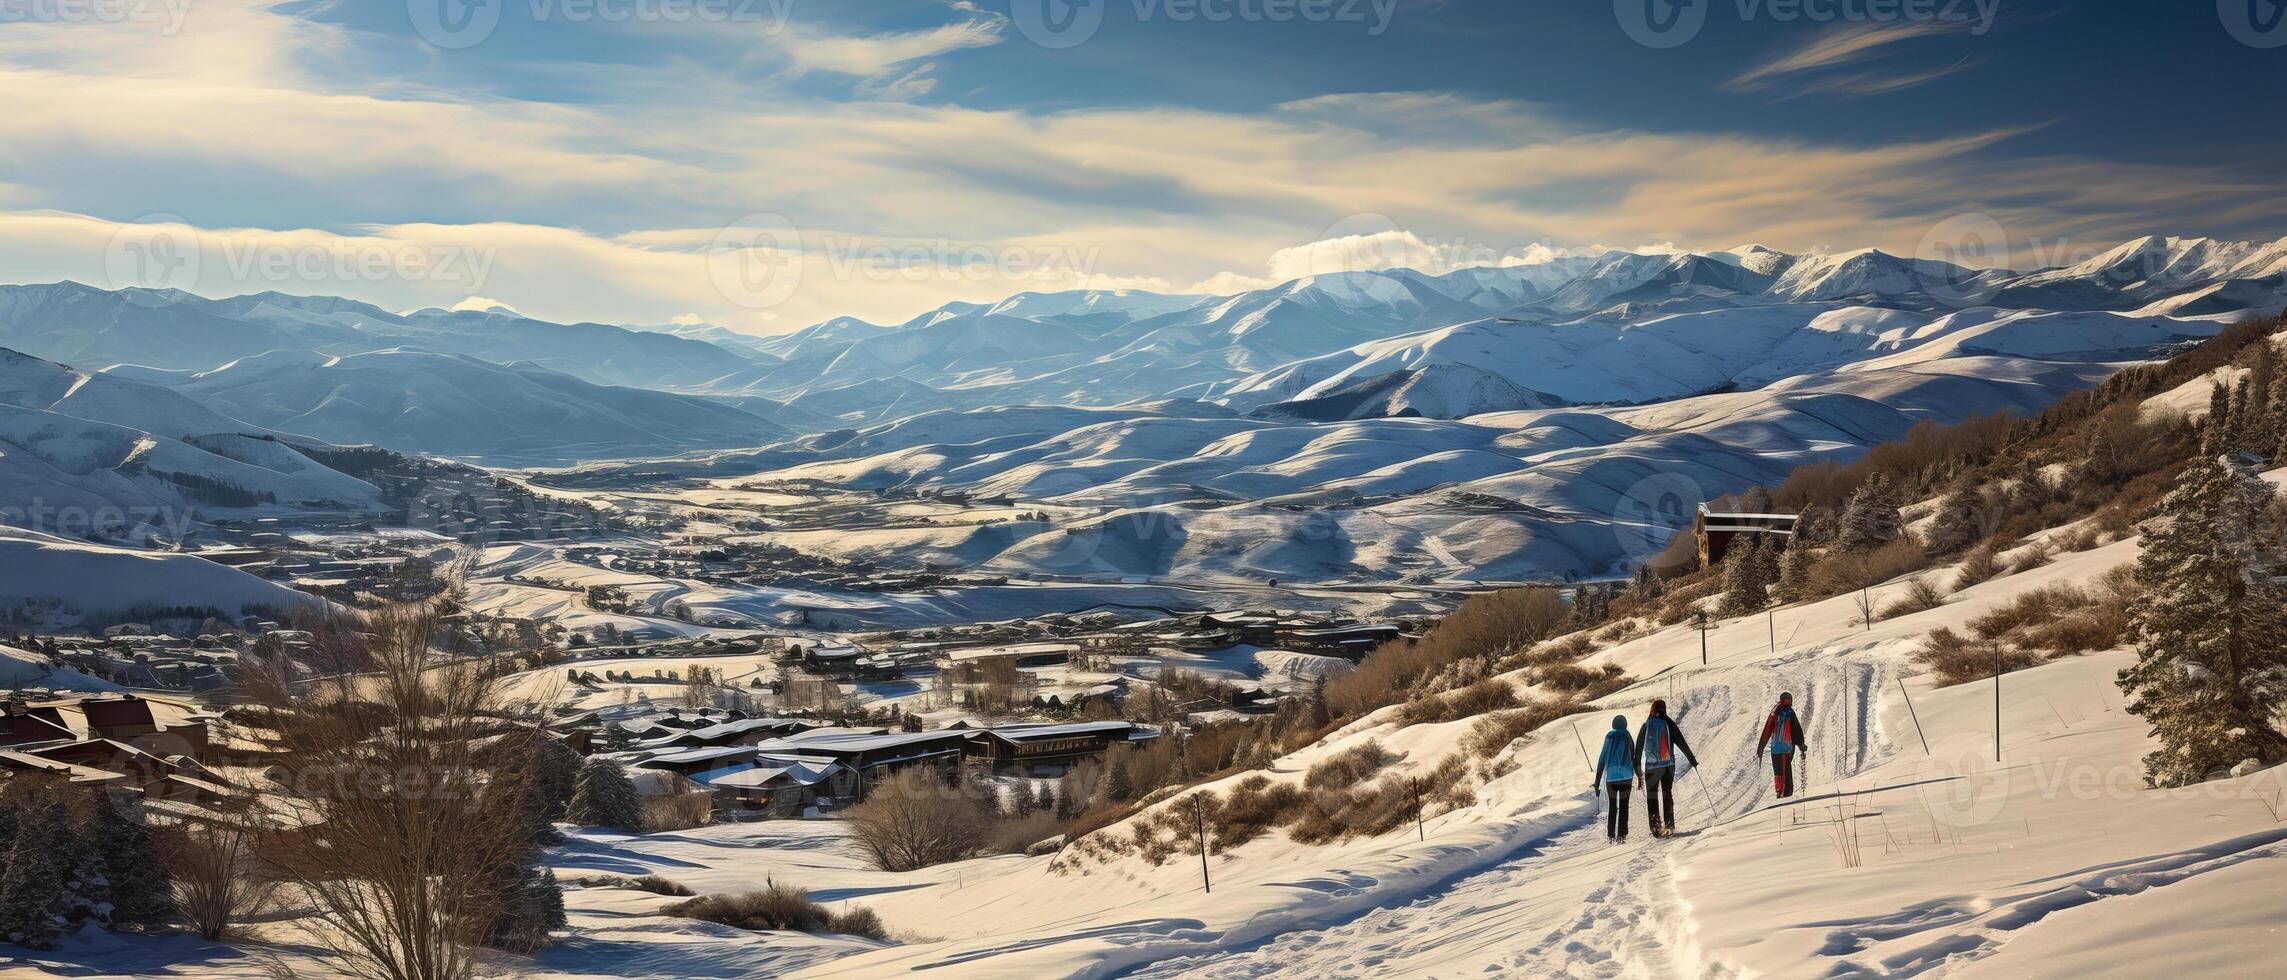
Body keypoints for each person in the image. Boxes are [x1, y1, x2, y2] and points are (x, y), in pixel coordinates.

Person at [1635, 699, 1699, 836]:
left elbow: (1639, 747)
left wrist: (1637, 767)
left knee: (1652, 796)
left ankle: (1655, 827)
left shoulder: (1646, 725)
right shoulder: (1669, 723)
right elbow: (1681, 742)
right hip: (1668, 765)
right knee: (1667, 794)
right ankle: (1669, 824)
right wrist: (1691, 759)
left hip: (1651, 767)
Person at [1592, 714, 1638, 842]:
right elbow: (1633, 756)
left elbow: (1602, 758)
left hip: (1611, 778)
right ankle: (1622, 835)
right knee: (1624, 806)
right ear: (1625, 724)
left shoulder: (1609, 736)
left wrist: (1597, 781)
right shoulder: (1627, 736)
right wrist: (1639, 775)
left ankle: (1611, 834)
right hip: (1626, 776)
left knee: (1612, 806)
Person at [1756, 692, 1807, 799]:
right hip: (1786, 747)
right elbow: (1796, 729)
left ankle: (1780, 793)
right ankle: (1785, 794)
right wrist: (1801, 744)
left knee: (1778, 771)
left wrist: (1761, 746)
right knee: (1786, 770)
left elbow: (1767, 729)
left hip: (1775, 748)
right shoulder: (1789, 712)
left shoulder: (1775, 711)